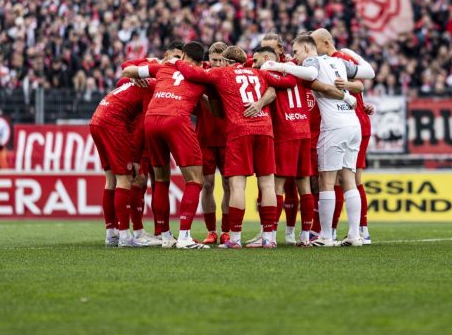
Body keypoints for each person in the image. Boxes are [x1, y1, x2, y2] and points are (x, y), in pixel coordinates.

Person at [171, 45, 297, 248]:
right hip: (265, 130)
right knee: (267, 185)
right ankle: (269, 238)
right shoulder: (260, 72)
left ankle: (235, 239)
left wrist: (176, 61)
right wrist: (288, 64)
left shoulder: (223, 73)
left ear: (228, 62)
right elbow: (289, 81)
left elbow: (189, 71)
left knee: (237, 185)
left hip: (240, 131)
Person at [263, 35, 367, 247]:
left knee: (326, 181)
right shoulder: (338, 61)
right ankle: (356, 235)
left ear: (307, 49)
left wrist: (280, 67)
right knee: (348, 179)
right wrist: (353, 60)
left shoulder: (313, 61)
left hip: (334, 127)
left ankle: (327, 237)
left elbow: (310, 73)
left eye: (297, 52)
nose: (295, 56)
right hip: (353, 124)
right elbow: (368, 72)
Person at [121, 41, 209, 250]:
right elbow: (215, 109)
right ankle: (185, 237)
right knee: (195, 180)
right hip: (176, 119)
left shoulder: (164, 66)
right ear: (201, 60)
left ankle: (166, 235)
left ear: (184, 55)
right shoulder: (203, 73)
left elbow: (128, 70)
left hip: (151, 119)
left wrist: (140, 77)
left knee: (160, 180)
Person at [310, 28, 377, 244]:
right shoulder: (331, 60)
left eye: (315, 45)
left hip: (345, 123)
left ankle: (347, 232)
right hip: (351, 122)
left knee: (341, 180)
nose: (312, 50)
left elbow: (361, 82)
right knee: (345, 178)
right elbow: (359, 85)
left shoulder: (336, 59)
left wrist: (345, 87)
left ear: (326, 43)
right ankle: (352, 232)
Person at [253, 44, 318, 246]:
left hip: (285, 132)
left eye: (256, 60)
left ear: (267, 58)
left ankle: (269, 235)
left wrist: (260, 70)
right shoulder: (296, 71)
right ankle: (305, 236)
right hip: (304, 132)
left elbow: (276, 82)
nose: (255, 64)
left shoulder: (270, 72)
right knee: (304, 185)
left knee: (277, 186)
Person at [89, 76, 159, 248]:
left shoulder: (139, 82)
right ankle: (125, 236)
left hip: (97, 119)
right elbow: (142, 125)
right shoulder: (153, 88)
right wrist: (135, 159)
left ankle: (111, 234)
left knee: (111, 179)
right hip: (112, 123)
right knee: (125, 178)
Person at [197, 42, 231, 245]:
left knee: (229, 184)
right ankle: (211, 231)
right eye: (214, 60)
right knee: (207, 185)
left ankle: (226, 230)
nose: (217, 64)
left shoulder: (232, 76)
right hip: (205, 139)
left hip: (229, 138)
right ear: (208, 58)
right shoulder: (201, 77)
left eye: (220, 60)